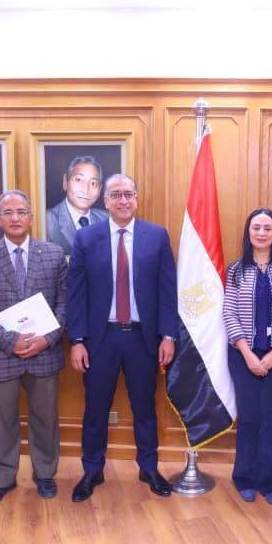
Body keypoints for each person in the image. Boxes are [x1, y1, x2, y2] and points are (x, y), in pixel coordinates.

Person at [66, 174, 178, 501]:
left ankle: (149, 467)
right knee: (95, 408)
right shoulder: (86, 238)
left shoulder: (157, 236)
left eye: (128, 194)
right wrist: (77, 340)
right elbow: (76, 293)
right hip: (100, 340)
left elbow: (167, 290)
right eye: (116, 194)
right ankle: (92, 470)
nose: (123, 200)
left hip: (143, 339)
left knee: (145, 407)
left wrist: (168, 335)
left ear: (137, 198)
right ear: (106, 201)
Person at [0, 190, 68, 505]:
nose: (15, 218)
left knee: (45, 418)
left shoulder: (53, 254)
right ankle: (1, 480)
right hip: (0, 354)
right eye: (8, 213)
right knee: (1, 421)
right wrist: (10, 340)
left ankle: (45, 474)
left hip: (44, 352)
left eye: (21, 212)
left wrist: (47, 338)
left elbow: (65, 304)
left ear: (31, 218)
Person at [223, 208, 272, 504]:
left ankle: (270, 479)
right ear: (248, 232)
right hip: (242, 355)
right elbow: (229, 313)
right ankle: (244, 477)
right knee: (248, 417)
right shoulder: (235, 270)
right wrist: (247, 354)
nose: (261, 233)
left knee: (271, 416)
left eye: (267, 228)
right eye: (256, 227)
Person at [45, 155, 108, 253]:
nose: (85, 190)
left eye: (93, 183)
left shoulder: (107, 219)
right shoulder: (47, 220)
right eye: (78, 180)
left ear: (100, 189)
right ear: (65, 182)